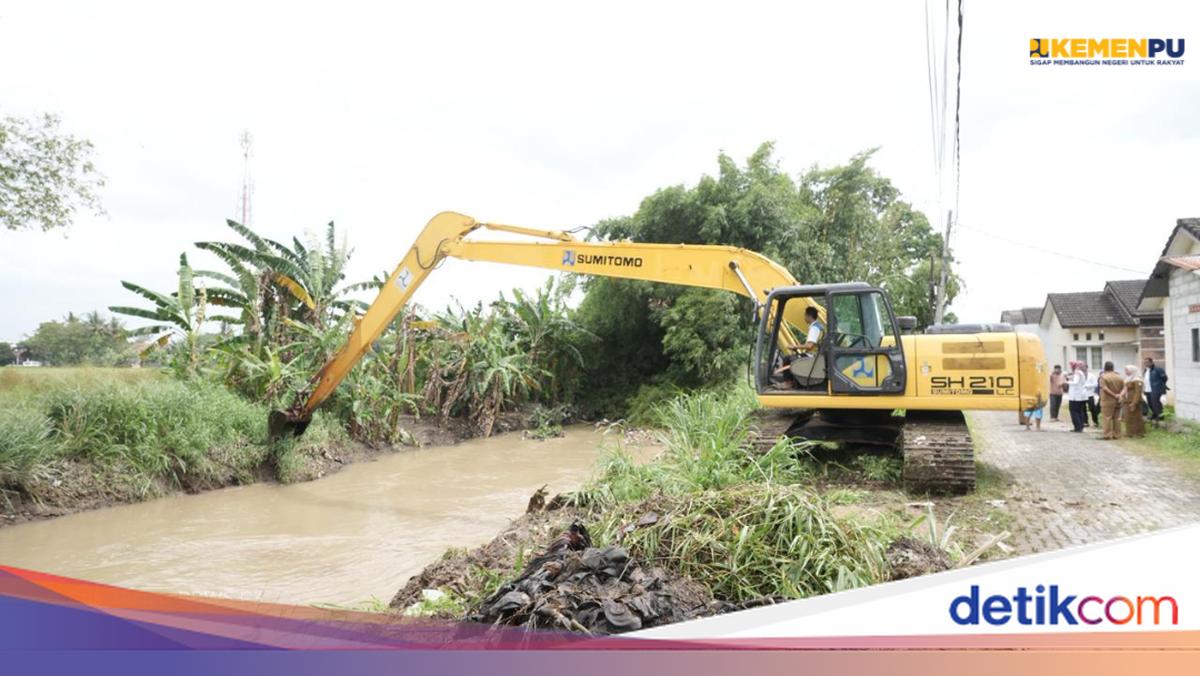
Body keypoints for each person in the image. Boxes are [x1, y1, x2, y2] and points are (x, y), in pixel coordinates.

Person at [770, 306, 826, 389]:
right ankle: (793, 382)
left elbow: (809, 346)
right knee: (792, 358)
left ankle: (788, 383)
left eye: (805, 315)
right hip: (817, 356)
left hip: (813, 357)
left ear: (809, 316)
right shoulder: (819, 327)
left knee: (787, 359)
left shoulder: (814, 328)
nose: (804, 318)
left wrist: (795, 346)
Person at [1098, 362, 1125, 440]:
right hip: (1118, 400)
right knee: (1117, 418)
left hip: (1107, 400)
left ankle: (1107, 434)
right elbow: (1124, 387)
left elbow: (1105, 388)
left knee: (1107, 417)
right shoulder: (1119, 377)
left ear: (1105, 368)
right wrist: (1120, 395)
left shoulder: (1104, 377)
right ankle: (1117, 434)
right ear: (1113, 368)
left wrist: (1114, 395)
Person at [1066, 361, 1090, 433]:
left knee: (1074, 411)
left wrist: (1067, 382)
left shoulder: (1077, 373)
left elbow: (1075, 383)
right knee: (1080, 411)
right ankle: (1080, 426)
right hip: (1081, 395)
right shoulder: (1081, 373)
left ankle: (1077, 427)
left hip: (1076, 396)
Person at [1143, 357, 1169, 423]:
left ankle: (1160, 416)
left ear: (1151, 362)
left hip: (1156, 389)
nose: (1145, 363)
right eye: (1145, 362)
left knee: (1156, 403)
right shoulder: (1146, 370)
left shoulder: (1158, 369)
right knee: (1150, 403)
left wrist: (1159, 385)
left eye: (1147, 362)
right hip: (1148, 389)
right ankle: (1155, 414)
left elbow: (1165, 378)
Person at [1123, 365, 1145, 439]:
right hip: (1127, 401)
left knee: (1136, 417)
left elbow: (1138, 392)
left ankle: (1138, 433)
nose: (1126, 372)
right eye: (1125, 370)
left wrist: (1134, 403)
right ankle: (1129, 432)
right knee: (1128, 418)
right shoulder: (1128, 379)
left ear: (1132, 370)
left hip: (1134, 401)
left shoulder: (1137, 380)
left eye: (1127, 370)